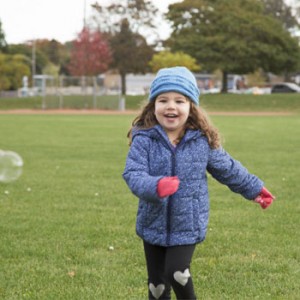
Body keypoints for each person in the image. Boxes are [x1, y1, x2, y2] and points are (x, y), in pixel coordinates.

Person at [122, 66, 275, 300]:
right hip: (152, 223)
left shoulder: (201, 140)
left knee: (177, 273)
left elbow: (228, 168)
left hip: (188, 223)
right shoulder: (144, 139)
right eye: (163, 100)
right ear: (153, 105)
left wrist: (254, 188)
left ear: (191, 106)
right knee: (157, 287)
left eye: (179, 101)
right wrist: (156, 186)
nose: (171, 106)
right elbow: (133, 174)